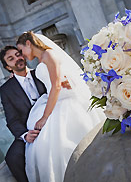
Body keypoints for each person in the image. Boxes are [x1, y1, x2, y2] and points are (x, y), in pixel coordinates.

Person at [16, 31, 105, 182]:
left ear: (29, 44)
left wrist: (45, 117)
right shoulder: (42, 59)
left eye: (21, 50)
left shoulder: (49, 55)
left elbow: (55, 86)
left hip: (65, 102)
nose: (21, 55)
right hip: (57, 100)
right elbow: (57, 80)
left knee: (56, 145)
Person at [0, 46, 71, 182]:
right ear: (8, 67)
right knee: (12, 158)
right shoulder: (5, 90)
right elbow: (12, 120)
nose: (17, 59)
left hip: (54, 118)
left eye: (18, 54)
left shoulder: (41, 73)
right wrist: (25, 135)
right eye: (11, 59)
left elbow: (58, 91)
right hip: (30, 130)